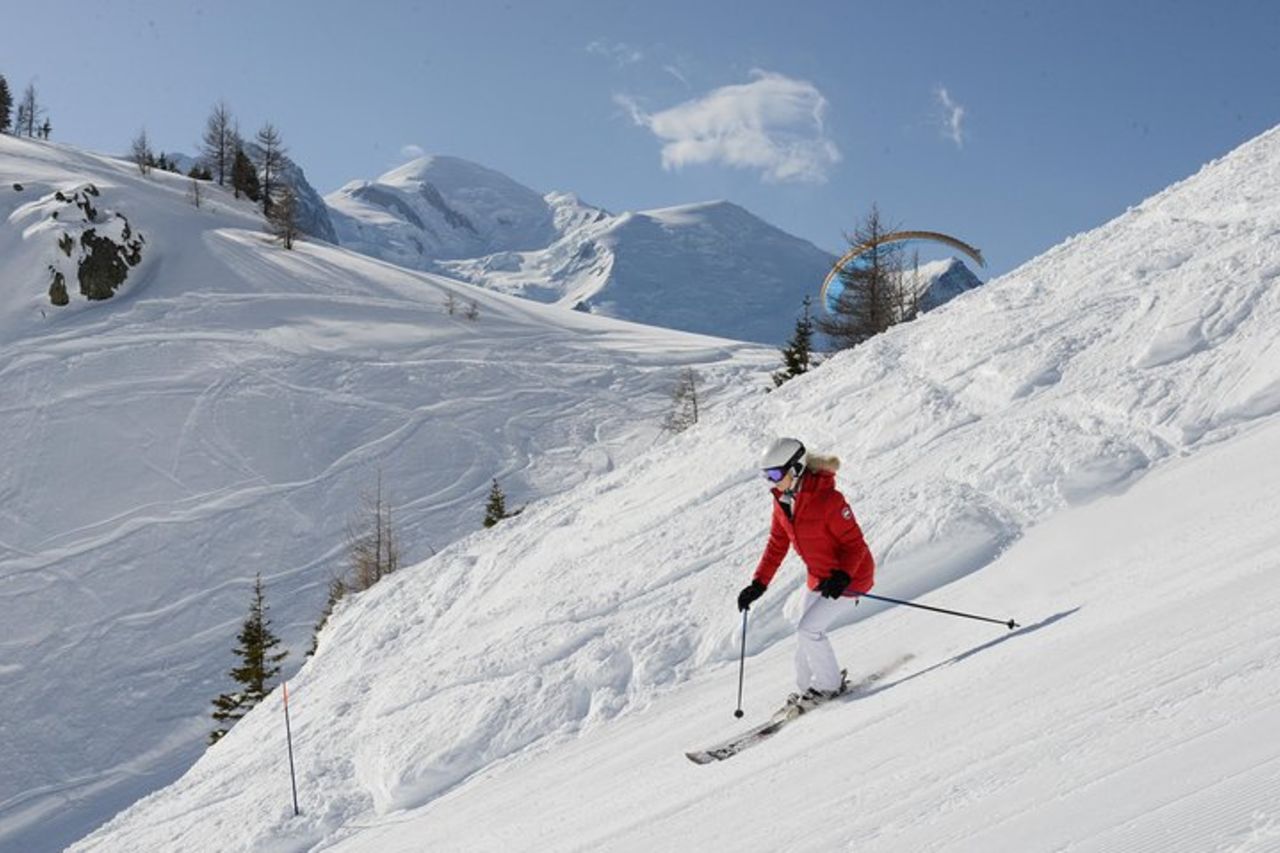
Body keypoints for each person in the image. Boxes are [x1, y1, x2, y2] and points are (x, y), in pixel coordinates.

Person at [737, 437, 875, 702]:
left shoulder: (829, 500)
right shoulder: (782, 501)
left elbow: (855, 545)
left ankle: (829, 686)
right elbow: (777, 544)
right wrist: (758, 585)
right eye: (767, 476)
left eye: (776, 474)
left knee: (809, 630)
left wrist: (843, 576)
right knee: (804, 636)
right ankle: (806, 690)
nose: (772, 482)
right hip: (821, 578)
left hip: (851, 576)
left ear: (796, 468)